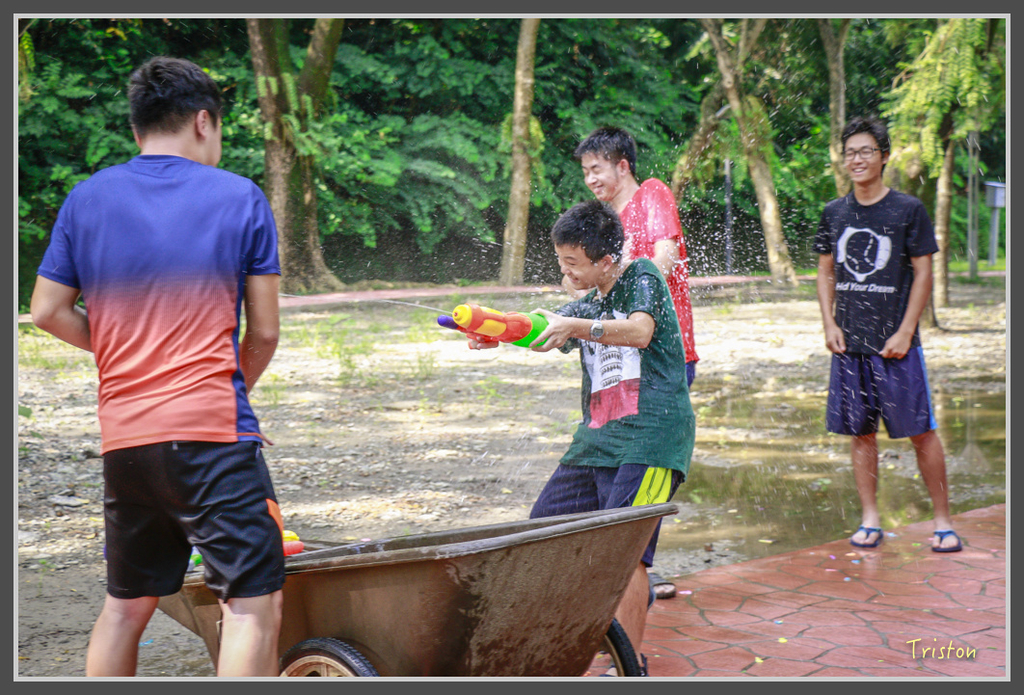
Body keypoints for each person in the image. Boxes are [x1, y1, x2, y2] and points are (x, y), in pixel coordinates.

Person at [30, 56, 287, 676]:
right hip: (210, 433)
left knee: (127, 604)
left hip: (126, 439)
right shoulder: (239, 196)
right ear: (204, 121)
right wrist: (221, 394)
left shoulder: (87, 198)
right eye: (220, 131)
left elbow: (46, 311)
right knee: (253, 606)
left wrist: (131, 348)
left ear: (138, 127)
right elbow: (266, 330)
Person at [468, 200, 695, 671]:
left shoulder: (641, 277)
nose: (564, 270)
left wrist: (573, 324)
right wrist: (493, 330)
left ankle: (629, 666)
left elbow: (638, 332)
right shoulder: (588, 298)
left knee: (624, 554)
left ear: (606, 260)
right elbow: (540, 329)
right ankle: (565, 637)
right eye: (560, 260)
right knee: (542, 533)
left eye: (573, 263)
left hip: (651, 441)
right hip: (595, 441)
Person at [814, 116, 963, 554]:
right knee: (861, 435)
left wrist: (905, 331)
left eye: (865, 151)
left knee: (922, 433)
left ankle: (943, 521)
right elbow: (824, 272)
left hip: (897, 348)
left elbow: (923, 273)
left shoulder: (907, 210)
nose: (856, 159)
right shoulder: (835, 212)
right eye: (850, 153)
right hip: (849, 344)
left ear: (884, 155)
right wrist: (829, 322)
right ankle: (870, 519)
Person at [574, 126, 697, 598]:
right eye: (585, 172)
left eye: (596, 169)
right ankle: (631, 567)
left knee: (648, 456)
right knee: (623, 459)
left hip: (665, 353)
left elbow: (664, 255)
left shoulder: (652, 194)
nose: (590, 179)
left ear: (622, 164)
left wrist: (631, 291)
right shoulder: (603, 221)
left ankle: (637, 567)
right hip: (619, 358)